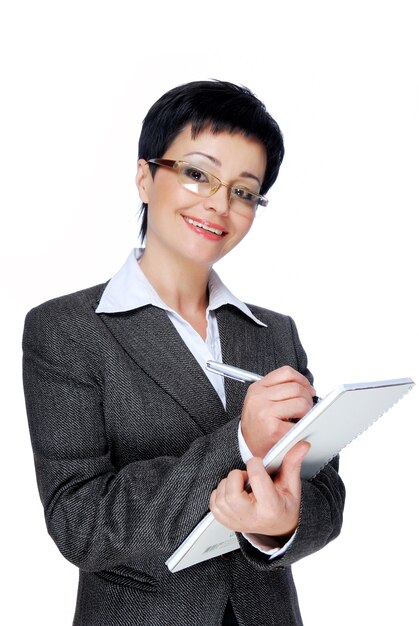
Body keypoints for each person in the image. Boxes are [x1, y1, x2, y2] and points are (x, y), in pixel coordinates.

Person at [23, 80, 345, 626]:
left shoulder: (275, 335)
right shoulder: (65, 330)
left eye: (244, 191)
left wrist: (278, 527)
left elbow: (326, 496)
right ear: (145, 177)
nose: (219, 204)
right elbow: (80, 523)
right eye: (198, 174)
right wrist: (241, 442)